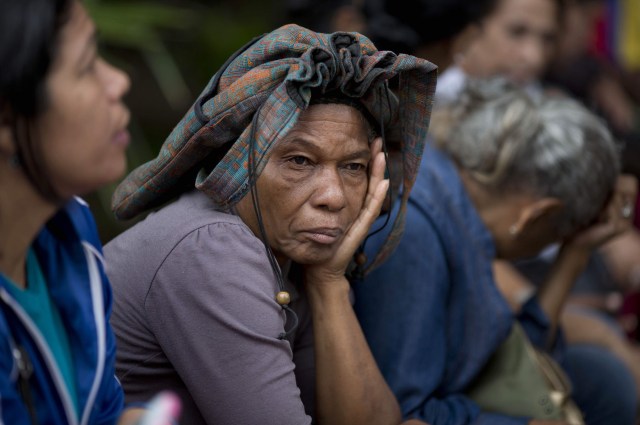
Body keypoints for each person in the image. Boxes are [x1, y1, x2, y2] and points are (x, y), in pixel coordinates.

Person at [104, 24, 438, 425]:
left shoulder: (294, 254)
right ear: (238, 167)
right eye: (299, 161)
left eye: (353, 167)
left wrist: (328, 283)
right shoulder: (213, 248)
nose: (332, 196)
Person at [353, 79, 637, 424]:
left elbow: (509, 359)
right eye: (556, 233)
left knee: (600, 377)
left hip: (463, 393)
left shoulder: (460, 200)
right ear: (537, 214)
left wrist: (574, 253)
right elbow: (406, 412)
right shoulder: (417, 234)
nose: (551, 242)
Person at [0, 0, 150, 423]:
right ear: (6, 119)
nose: (119, 80)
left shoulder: (71, 231)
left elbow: (98, 408)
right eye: (86, 67)